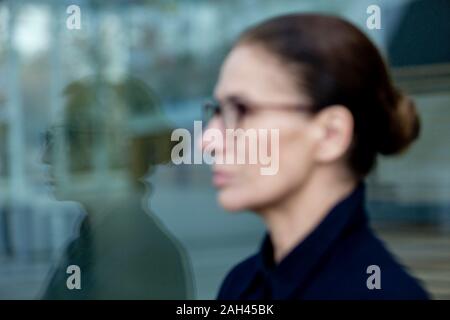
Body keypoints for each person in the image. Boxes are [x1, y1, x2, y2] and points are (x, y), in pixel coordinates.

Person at [200, 13, 429, 299]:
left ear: (331, 134)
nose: (207, 141)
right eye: (218, 112)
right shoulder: (241, 285)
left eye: (241, 110)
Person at [41, 76, 194, 299]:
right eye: (49, 138)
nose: (46, 157)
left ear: (118, 150)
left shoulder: (141, 255)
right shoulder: (86, 245)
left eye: (67, 138)